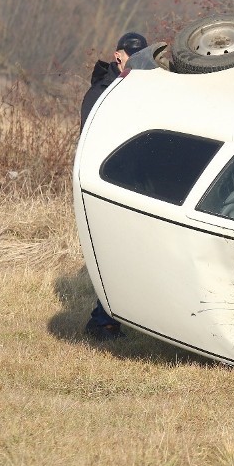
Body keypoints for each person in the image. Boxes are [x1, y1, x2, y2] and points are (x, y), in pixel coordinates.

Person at [80, 32, 148, 340]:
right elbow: (95, 141)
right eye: (127, 57)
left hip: (135, 184)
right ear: (117, 56)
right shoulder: (101, 92)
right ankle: (102, 322)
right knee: (115, 255)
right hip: (109, 185)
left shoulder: (137, 87)